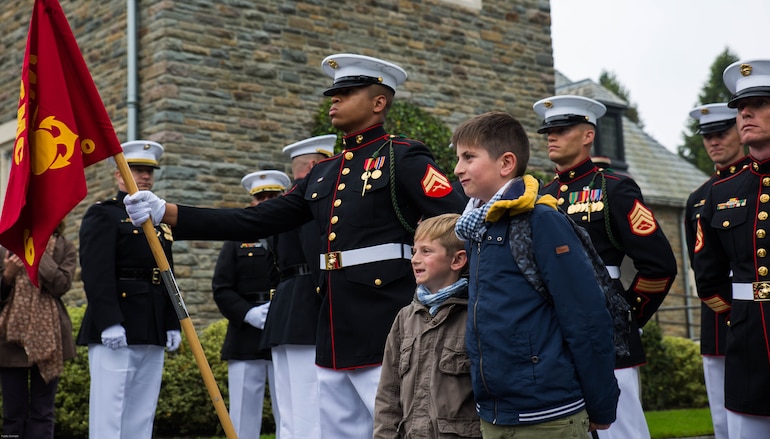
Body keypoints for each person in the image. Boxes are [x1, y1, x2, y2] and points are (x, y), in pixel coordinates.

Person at [123, 53, 467, 438]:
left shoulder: (400, 156)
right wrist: (168, 212)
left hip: (386, 320)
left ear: (378, 102)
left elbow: (458, 219)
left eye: (347, 93)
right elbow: (253, 220)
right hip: (332, 326)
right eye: (333, 94)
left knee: (398, 427)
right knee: (337, 431)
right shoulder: (323, 173)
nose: (333, 100)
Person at [451, 111, 619, 438]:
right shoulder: (476, 228)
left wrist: (601, 403)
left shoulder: (540, 220)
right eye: (458, 158)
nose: (457, 169)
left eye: (468, 157)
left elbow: (585, 316)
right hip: (495, 412)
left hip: (546, 412)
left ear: (506, 163)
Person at [534, 95, 677, 439]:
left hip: (607, 324)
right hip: (555, 327)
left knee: (620, 428)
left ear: (587, 135)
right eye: (548, 130)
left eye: (562, 129)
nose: (551, 136)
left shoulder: (614, 188)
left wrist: (628, 315)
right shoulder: (540, 194)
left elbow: (659, 264)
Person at [693, 59, 770, 438]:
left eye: (760, 103)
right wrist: (738, 318)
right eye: (742, 106)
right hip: (748, 345)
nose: (746, 112)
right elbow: (708, 277)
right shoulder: (721, 192)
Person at [77, 140, 181, 439]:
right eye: (136, 169)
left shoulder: (159, 221)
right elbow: (96, 273)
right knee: (110, 409)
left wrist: (172, 322)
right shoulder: (104, 214)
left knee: (142, 410)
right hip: (117, 324)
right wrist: (109, 321)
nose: (145, 176)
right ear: (119, 175)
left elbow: (167, 275)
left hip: (152, 323)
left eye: (149, 171)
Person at [374, 212, 479, 438]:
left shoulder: (475, 315)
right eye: (414, 251)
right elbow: (388, 395)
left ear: (457, 260)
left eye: (426, 251)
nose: (414, 259)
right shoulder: (405, 318)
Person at [260, 135, 335, 439]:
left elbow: (272, 265)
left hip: (286, 307)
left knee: (290, 405)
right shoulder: (311, 202)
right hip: (309, 306)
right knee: (311, 403)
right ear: (317, 164)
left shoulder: (284, 203)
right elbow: (316, 256)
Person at [685, 102, 748, 439]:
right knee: (723, 421)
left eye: (721, 132)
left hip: (760, 310)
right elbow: (701, 267)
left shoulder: (760, 182)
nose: (713, 141)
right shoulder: (698, 197)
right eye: (707, 135)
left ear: (740, 129)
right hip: (717, 317)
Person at [212, 170, 288, 439]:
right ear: (253, 202)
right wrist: (248, 313)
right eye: (261, 197)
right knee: (243, 415)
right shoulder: (236, 240)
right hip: (245, 334)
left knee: (290, 411)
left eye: (273, 196)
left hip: (284, 332)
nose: (266, 201)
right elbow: (221, 288)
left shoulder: (292, 234)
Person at [0, 222, 77, 439]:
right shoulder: (4, 245)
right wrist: (8, 274)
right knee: (13, 414)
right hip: (9, 341)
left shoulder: (65, 247)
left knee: (43, 412)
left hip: (50, 340)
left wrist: (38, 255)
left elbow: (61, 285)